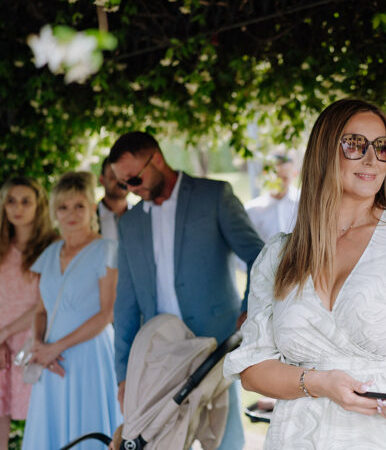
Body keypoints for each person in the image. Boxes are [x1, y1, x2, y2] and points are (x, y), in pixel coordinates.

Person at [224, 99, 386, 449]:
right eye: (354, 144)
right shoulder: (280, 254)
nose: (371, 159)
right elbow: (253, 369)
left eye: (382, 148)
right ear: (324, 151)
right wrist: (319, 382)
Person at [108, 131, 265, 450]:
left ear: (157, 160)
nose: (131, 190)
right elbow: (125, 302)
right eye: (124, 184)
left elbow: (259, 257)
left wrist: (250, 310)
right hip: (159, 358)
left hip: (216, 346)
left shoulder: (214, 196)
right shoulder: (130, 223)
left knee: (226, 441)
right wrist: (124, 374)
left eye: (135, 179)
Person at [22, 172, 122, 450]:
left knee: (88, 424)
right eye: (63, 207)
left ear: (91, 207)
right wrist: (41, 346)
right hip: (50, 359)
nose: (71, 214)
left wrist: (57, 348)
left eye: (79, 205)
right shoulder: (50, 254)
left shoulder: (107, 250)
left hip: (89, 355)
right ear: (54, 212)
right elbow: (41, 310)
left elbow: (106, 314)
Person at [0, 178, 58, 450]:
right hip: (0, 342)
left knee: (43, 417)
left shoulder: (54, 246)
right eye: (11, 201)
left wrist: (6, 333)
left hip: (36, 338)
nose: (17, 208)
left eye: (25, 201)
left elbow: (48, 301)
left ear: (39, 205)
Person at [244, 153, 300, 242]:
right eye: (276, 177)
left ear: (294, 174)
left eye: (285, 178)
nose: (280, 183)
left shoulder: (303, 204)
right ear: (265, 174)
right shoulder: (252, 209)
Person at [97, 157, 131, 242]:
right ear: (102, 180)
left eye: (126, 177)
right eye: (113, 176)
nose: (121, 182)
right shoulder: (89, 218)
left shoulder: (141, 215)